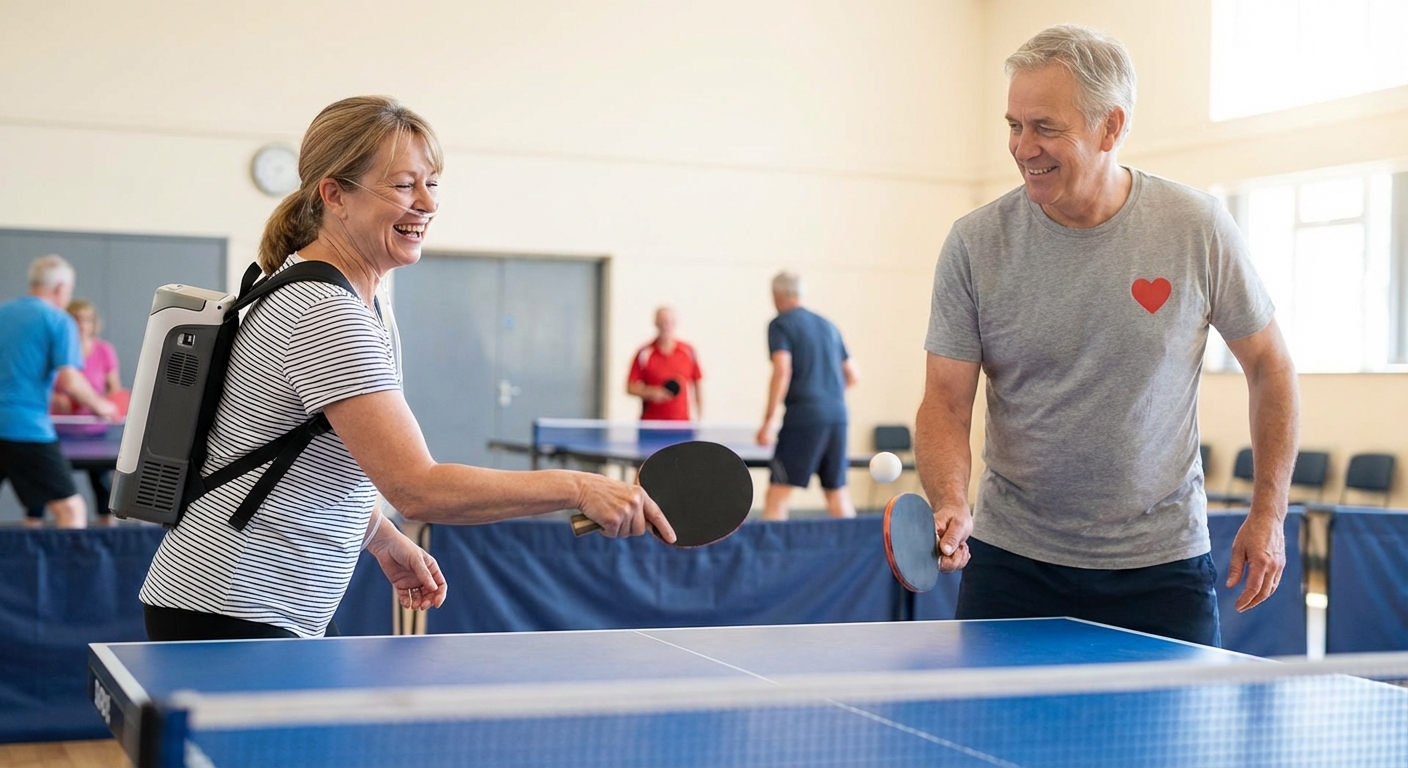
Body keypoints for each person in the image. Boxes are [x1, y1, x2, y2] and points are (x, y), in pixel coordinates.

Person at [138, 96, 674, 641]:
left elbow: (301, 451)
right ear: (335, 195)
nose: (426, 204)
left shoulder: (365, 298)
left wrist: (381, 538)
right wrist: (580, 487)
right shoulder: (323, 309)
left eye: (432, 184)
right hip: (228, 608)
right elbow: (418, 489)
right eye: (403, 186)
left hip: (262, 608)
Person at [915, 25, 1299, 646]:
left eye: (1045, 126)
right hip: (1013, 565)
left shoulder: (1196, 227)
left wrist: (1269, 513)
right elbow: (944, 400)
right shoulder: (974, 243)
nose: (1022, 146)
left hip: (1162, 567)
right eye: (1014, 124)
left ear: (1110, 128)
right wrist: (951, 500)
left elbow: (1271, 368)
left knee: (1166, 748)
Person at [0, 255, 120, 529]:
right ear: (61, 288)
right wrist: (102, 406)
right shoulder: (58, 320)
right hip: (25, 428)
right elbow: (70, 379)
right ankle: (71, 574)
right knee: (71, 510)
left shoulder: (2, 313)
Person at [756, 270, 858, 520]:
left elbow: (782, 370)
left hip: (804, 418)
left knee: (777, 495)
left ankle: (774, 558)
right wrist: (825, 395)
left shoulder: (780, 324)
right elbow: (853, 375)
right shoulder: (828, 325)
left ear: (777, 294)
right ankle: (859, 557)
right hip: (837, 415)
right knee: (837, 495)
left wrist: (768, 422)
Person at [38, 299, 125, 527]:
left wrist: (101, 405)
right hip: (59, 433)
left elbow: (114, 390)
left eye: (86, 319)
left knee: (103, 485)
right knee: (46, 485)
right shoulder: (54, 350)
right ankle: (33, 527)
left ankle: (107, 533)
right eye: (76, 319)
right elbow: (43, 386)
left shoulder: (104, 350)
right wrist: (58, 400)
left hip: (96, 433)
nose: (82, 325)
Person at [626, 306, 702, 421]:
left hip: (681, 425)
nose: (665, 326)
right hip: (651, 425)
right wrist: (651, 392)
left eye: (668, 322)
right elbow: (630, 387)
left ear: (675, 323)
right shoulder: (644, 353)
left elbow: (697, 384)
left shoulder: (688, 351)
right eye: (661, 322)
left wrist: (700, 417)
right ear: (656, 323)